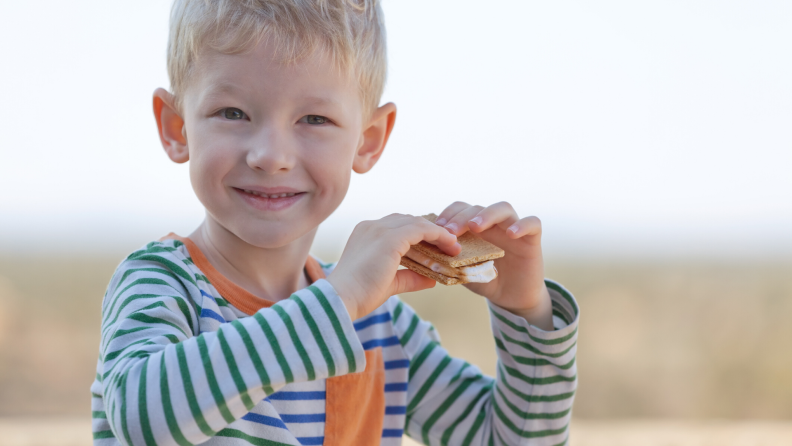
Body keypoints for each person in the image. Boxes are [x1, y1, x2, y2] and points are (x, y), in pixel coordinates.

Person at [90, 1, 579, 445]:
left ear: (367, 140)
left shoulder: (382, 326)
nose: (271, 156)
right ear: (177, 129)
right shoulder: (161, 284)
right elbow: (141, 417)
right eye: (232, 112)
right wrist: (339, 300)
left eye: (314, 120)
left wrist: (528, 312)